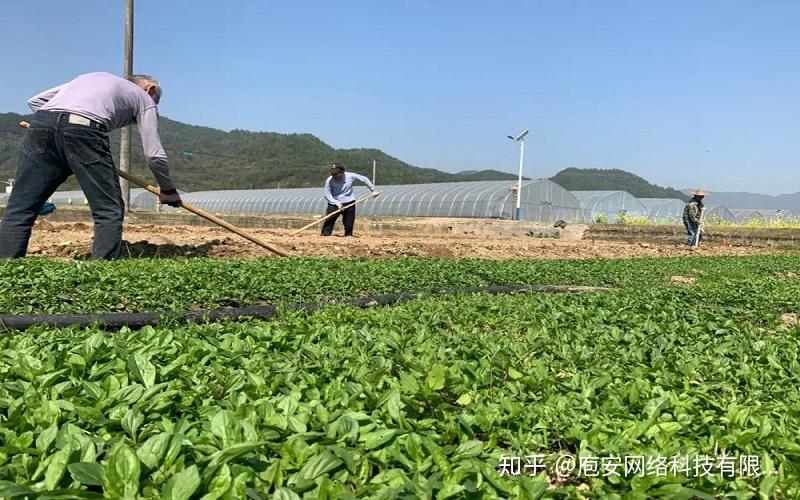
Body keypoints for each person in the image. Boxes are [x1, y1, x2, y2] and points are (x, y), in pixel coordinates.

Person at [0, 72, 181, 260]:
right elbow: (153, 154)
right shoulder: (144, 98)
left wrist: (55, 128)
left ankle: (6, 264)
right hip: (84, 129)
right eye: (156, 101)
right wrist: (168, 189)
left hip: (42, 124)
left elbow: (35, 101)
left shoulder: (93, 78)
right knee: (108, 208)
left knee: (21, 206)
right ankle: (101, 267)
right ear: (150, 89)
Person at [321, 163, 377, 237]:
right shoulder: (329, 180)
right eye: (332, 173)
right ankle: (325, 235)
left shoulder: (350, 176)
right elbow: (327, 194)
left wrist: (372, 189)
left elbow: (364, 179)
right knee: (329, 219)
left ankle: (348, 236)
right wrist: (337, 203)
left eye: (336, 174)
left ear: (342, 172)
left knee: (349, 222)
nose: (334, 175)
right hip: (334, 202)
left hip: (349, 201)